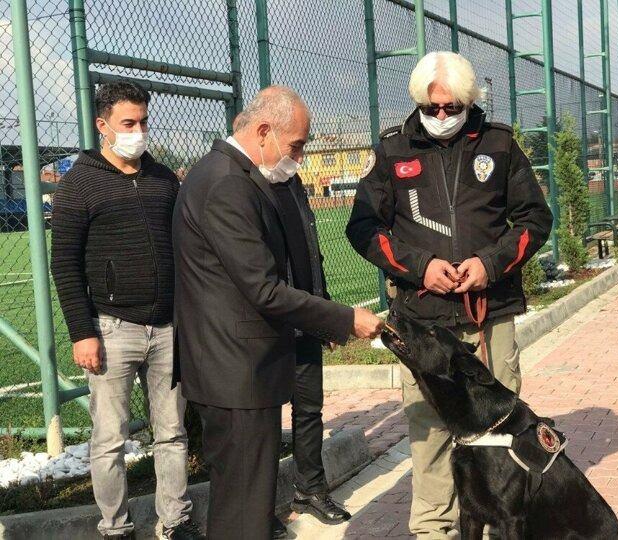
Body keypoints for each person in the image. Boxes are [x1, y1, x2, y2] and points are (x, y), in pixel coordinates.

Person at [346, 51, 554, 538]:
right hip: (423, 319)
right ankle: (433, 529)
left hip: (490, 312)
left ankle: (504, 522)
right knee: (431, 430)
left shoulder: (499, 144)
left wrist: (489, 264)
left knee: (499, 425)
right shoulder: (392, 150)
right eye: (431, 107)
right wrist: (420, 268)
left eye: (451, 107)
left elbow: (534, 219)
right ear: (418, 102)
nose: (441, 116)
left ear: (468, 101)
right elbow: (364, 227)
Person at [172, 85, 384, 540]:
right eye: (296, 146)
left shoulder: (230, 174)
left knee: (243, 501)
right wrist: (344, 318)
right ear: (264, 131)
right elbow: (264, 289)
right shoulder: (228, 184)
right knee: (243, 510)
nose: (299, 158)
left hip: (239, 368)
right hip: (235, 370)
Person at [51, 81, 202, 540]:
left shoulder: (163, 179)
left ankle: (174, 521)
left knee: (171, 433)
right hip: (111, 329)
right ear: (103, 125)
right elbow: (64, 263)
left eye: (143, 122)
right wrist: (82, 332)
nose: (138, 131)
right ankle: (115, 528)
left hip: (168, 328)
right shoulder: (79, 184)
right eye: (128, 123)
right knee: (109, 440)